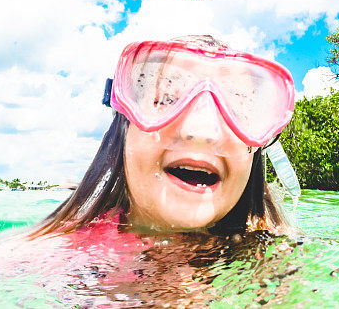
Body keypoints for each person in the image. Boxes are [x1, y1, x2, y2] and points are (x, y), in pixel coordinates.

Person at [30, 34, 296, 238]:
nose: (202, 133)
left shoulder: (283, 267)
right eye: (166, 99)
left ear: (258, 148)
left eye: (235, 110)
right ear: (123, 130)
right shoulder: (44, 256)